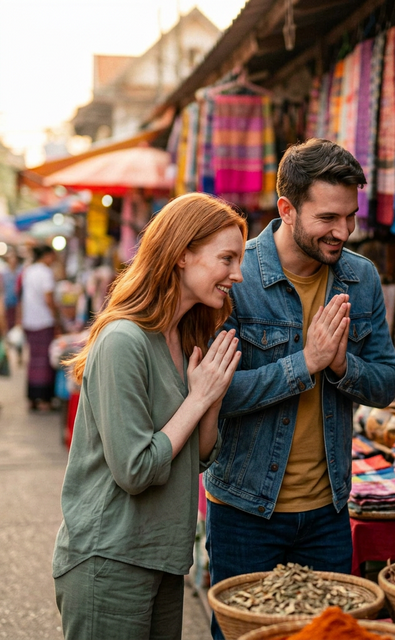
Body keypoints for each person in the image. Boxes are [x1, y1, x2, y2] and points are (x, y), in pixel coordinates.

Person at [204, 138, 395, 639]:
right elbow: (213, 396)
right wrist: (305, 363)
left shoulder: (361, 278)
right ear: (287, 209)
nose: (343, 231)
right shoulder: (236, 276)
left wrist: (340, 366)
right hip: (246, 511)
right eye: (328, 218)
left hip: (328, 514)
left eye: (350, 217)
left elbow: (386, 382)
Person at [52, 193, 247, 640]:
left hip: (160, 559)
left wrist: (211, 398)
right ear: (182, 254)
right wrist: (197, 401)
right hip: (110, 561)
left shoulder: (180, 337)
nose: (237, 274)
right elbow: (136, 469)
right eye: (227, 258)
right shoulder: (124, 340)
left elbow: (194, 458)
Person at [21, 245, 59, 411]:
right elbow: (48, 298)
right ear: (47, 256)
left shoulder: (29, 271)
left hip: (30, 321)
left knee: (34, 361)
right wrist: (57, 319)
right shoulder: (45, 272)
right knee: (44, 361)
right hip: (44, 321)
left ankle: (33, 398)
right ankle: (44, 400)